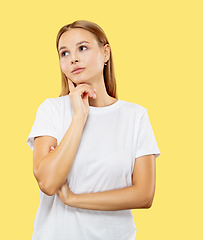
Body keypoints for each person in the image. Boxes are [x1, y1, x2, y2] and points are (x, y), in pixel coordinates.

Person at [26, 20, 161, 240]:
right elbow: (48, 183)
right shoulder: (51, 110)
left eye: (82, 48)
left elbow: (144, 195)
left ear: (105, 52)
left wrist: (74, 199)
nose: (74, 59)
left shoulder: (135, 116)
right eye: (64, 53)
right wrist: (79, 117)